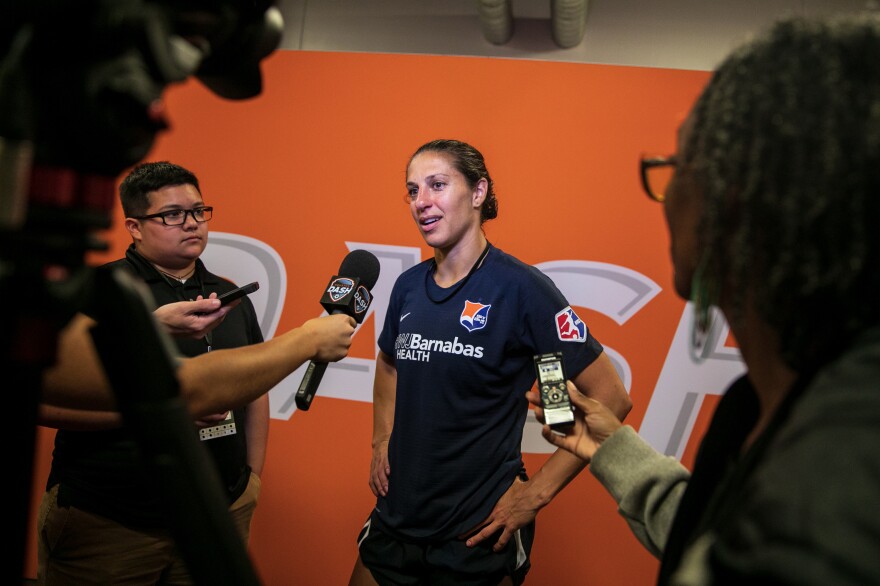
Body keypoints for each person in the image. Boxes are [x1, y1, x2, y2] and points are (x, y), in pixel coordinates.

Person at [527, 13, 880, 585]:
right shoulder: (766, 404)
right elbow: (717, 531)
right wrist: (613, 450)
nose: (664, 201)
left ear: (736, 198)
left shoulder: (835, 497)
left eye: (675, 169)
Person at [348, 139, 632, 585]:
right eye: (413, 190)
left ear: (478, 192)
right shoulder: (407, 287)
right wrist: (380, 438)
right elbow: (388, 363)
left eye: (437, 185)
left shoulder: (523, 291)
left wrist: (535, 495)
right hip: (397, 520)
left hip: (477, 534)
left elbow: (611, 398)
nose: (422, 202)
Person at [39, 161, 266, 585]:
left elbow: (253, 388)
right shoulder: (94, 293)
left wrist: (252, 480)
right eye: (172, 215)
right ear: (134, 226)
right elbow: (43, 403)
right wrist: (157, 415)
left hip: (218, 514)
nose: (191, 223)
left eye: (199, 211)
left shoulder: (229, 292)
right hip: (111, 521)